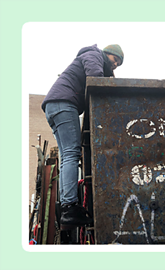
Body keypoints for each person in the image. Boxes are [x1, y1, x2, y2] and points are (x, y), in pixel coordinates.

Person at [41, 44, 124, 229]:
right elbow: (95, 77)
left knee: (67, 157)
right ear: (107, 53)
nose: (116, 64)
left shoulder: (95, 58)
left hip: (55, 106)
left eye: (118, 63)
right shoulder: (94, 54)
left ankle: (67, 205)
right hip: (63, 104)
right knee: (71, 154)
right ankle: (69, 206)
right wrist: (110, 79)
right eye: (115, 59)